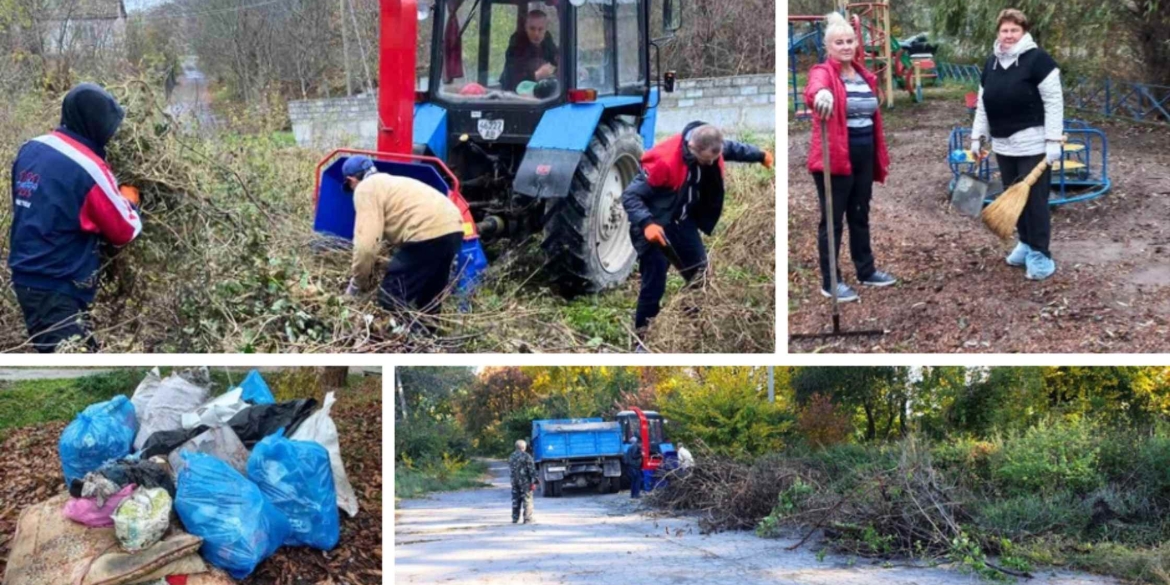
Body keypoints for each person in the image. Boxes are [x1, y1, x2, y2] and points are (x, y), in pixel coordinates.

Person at [7, 83, 142, 352]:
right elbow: (124, 230)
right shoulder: (88, 167)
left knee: (79, 347)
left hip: (27, 277)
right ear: (97, 123)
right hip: (56, 286)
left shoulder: (31, 149)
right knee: (71, 353)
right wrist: (130, 199)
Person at [621, 121, 773, 351]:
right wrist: (646, 223)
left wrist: (760, 155)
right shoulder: (664, 160)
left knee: (700, 275)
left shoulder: (712, 146)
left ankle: (687, 321)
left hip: (683, 221)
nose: (710, 164)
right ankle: (642, 340)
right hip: (656, 226)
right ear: (692, 147)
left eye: (714, 159)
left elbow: (734, 149)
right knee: (654, 283)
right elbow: (630, 196)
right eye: (706, 160)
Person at [805, 12, 896, 304]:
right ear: (828, 47)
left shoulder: (861, 74)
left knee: (860, 214)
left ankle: (865, 270)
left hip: (863, 155)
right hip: (835, 159)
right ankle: (831, 282)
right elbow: (814, 88)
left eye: (849, 41)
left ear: (856, 44)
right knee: (832, 221)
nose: (845, 46)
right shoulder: (823, 72)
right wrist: (822, 95)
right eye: (838, 42)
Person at [970, 8, 1063, 281]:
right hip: (1003, 144)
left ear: (1023, 32)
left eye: (1014, 30)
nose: (1009, 35)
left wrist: (1054, 140)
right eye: (1004, 30)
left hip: (1033, 143)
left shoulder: (1038, 61)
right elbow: (983, 106)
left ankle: (1040, 252)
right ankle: (1025, 243)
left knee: (1035, 200)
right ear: (998, 33)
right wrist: (977, 137)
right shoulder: (992, 64)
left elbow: (1054, 102)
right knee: (1013, 197)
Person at [343, 156, 465, 323]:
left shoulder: (365, 188)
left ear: (351, 180)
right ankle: (426, 342)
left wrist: (357, 283)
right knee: (429, 300)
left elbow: (366, 248)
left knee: (390, 296)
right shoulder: (391, 182)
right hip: (454, 227)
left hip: (426, 233)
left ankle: (399, 341)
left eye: (349, 187)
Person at [499, 10, 558, 92]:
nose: (536, 33)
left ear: (545, 29)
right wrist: (536, 75)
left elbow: (556, 60)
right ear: (526, 27)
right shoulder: (516, 44)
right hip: (513, 95)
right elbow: (512, 77)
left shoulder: (547, 41)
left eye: (540, 29)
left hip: (541, 91)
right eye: (532, 29)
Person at [508, 439, 537, 524]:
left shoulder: (511, 456)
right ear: (524, 447)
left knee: (515, 499)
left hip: (514, 481)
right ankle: (527, 519)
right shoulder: (526, 456)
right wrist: (534, 481)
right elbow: (532, 470)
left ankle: (515, 518)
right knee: (527, 499)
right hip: (525, 482)